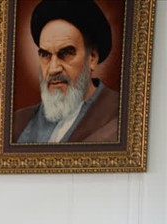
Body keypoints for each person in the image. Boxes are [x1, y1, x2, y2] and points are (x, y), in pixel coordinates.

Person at [12, 0, 120, 144]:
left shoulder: (120, 116)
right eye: (45, 55)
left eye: (66, 53)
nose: (53, 69)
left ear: (92, 58)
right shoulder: (18, 123)